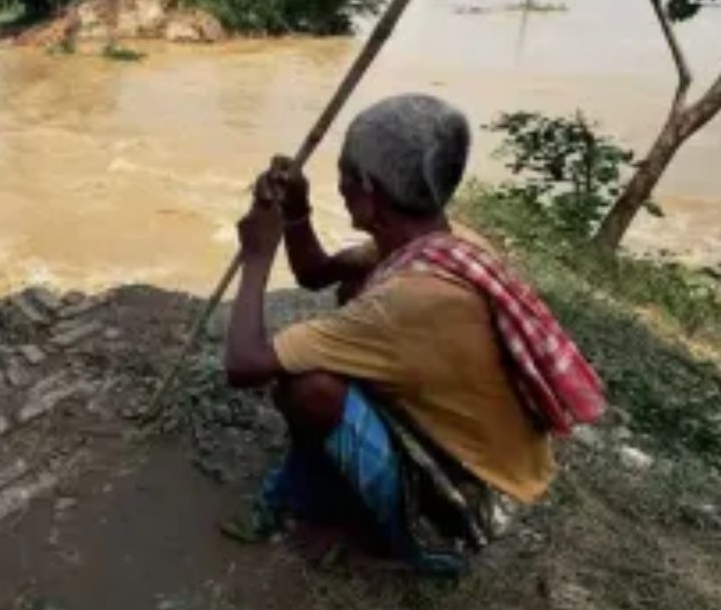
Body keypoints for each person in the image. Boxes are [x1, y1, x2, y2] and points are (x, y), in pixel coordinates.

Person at [222, 93, 605, 572]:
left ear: (367, 190)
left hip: (464, 499)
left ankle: (385, 537)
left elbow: (244, 365)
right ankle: (350, 482)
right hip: (472, 451)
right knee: (352, 294)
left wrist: (257, 255)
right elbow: (317, 273)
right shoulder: (441, 242)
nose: (339, 184)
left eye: (344, 173)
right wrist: (297, 212)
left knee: (307, 387)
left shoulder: (410, 298)